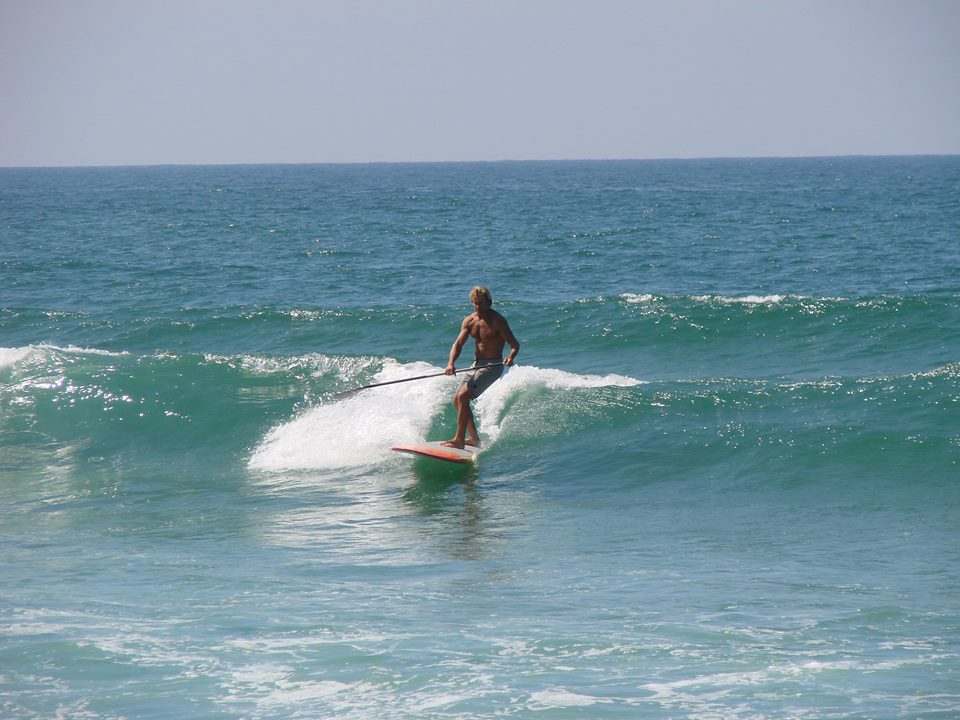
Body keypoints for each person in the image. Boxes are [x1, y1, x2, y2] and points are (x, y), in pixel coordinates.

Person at [442, 286, 520, 449]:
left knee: (463, 396)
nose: (478, 307)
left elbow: (514, 345)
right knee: (457, 400)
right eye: (475, 304)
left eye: (481, 303)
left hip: (493, 366)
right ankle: (474, 439)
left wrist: (510, 357)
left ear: (489, 302)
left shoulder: (498, 320)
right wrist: (451, 363)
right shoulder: (469, 321)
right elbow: (458, 344)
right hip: (476, 364)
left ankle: (459, 440)